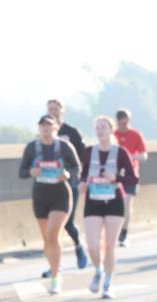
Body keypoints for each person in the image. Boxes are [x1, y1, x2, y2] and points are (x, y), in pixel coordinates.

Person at [18, 114, 81, 294]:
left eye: (49, 127)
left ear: (56, 129)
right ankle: (55, 267)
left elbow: (77, 167)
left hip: (60, 194)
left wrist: (68, 174)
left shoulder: (64, 146)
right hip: (40, 195)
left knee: (53, 234)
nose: (46, 130)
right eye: (43, 127)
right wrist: (32, 171)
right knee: (47, 239)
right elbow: (21, 172)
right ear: (39, 129)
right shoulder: (32, 147)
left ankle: (55, 277)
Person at [78, 116, 138, 298]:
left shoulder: (120, 152)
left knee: (109, 246)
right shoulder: (89, 152)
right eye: (97, 128)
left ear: (111, 130)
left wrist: (116, 178)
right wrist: (82, 184)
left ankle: (109, 283)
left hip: (114, 202)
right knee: (92, 245)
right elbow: (82, 175)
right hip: (93, 202)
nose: (100, 130)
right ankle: (98, 270)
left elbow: (133, 178)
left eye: (103, 127)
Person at [47, 99, 89, 271]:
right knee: (50, 227)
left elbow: (82, 157)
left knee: (67, 222)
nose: (53, 112)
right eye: (50, 109)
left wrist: (78, 177)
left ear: (62, 111)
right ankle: (55, 265)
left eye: (56, 109)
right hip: (49, 186)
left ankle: (78, 245)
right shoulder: (45, 133)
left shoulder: (71, 132)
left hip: (70, 184)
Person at [113, 108, 147, 247]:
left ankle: (124, 234)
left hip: (131, 175)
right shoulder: (113, 135)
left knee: (126, 204)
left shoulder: (136, 135)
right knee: (115, 206)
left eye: (126, 123)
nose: (123, 127)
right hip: (114, 176)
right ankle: (114, 232)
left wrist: (129, 157)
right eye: (121, 124)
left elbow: (144, 156)